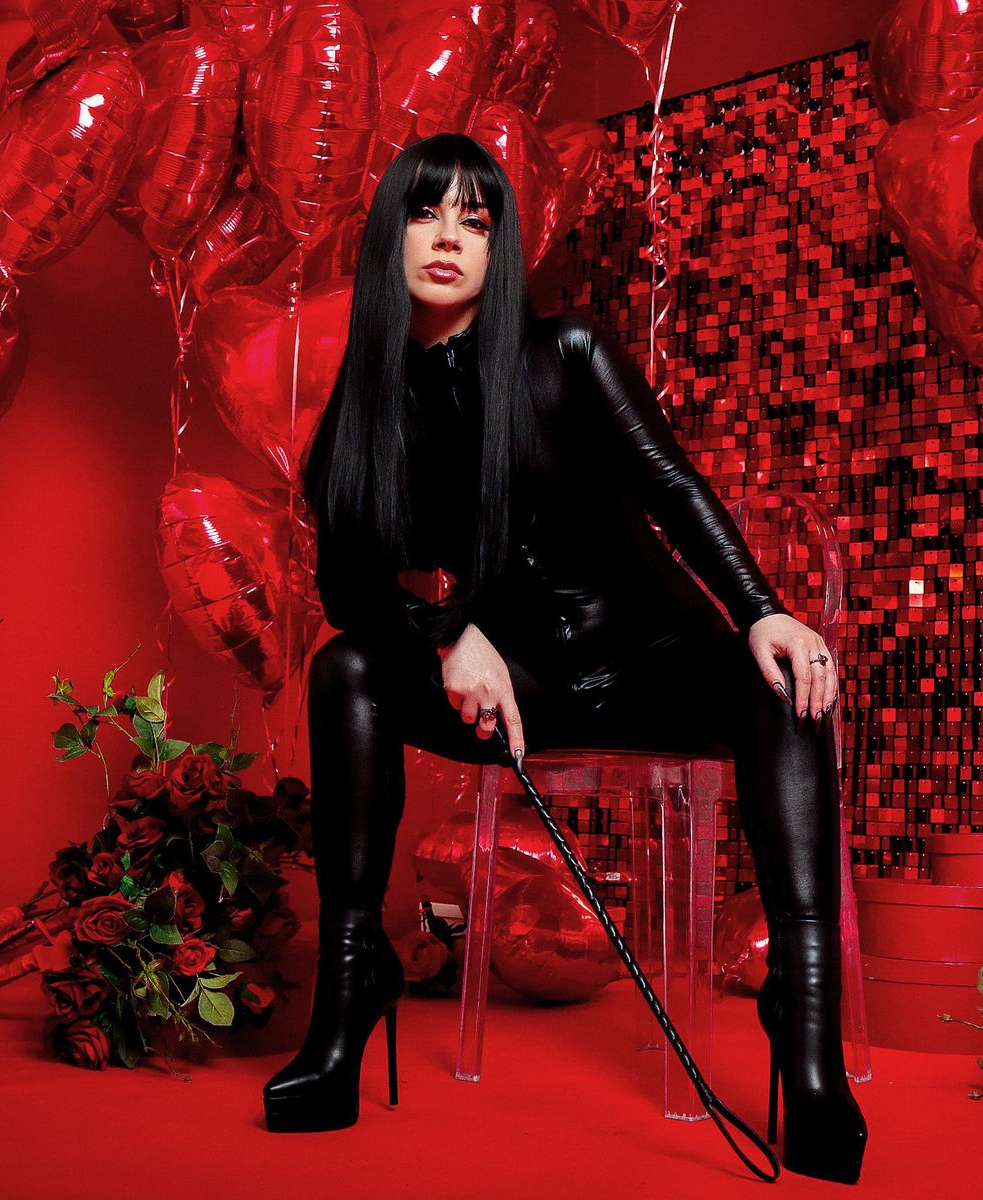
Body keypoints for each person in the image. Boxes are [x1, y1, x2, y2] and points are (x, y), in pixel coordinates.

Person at [261, 131, 867, 1185]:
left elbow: (672, 486)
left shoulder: (569, 351)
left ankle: (804, 1026)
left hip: (659, 662)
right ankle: (352, 984)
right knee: (345, 669)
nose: (449, 238)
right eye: (426, 212)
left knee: (786, 687)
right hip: (525, 688)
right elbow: (348, 590)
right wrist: (448, 635)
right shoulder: (365, 406)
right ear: (389, 235)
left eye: (475, 220)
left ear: (499, 250)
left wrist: (762, 611)